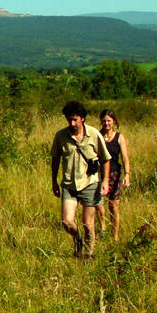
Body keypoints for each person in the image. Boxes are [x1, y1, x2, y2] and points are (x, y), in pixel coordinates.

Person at [50, 100, 111, 259]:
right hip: (69, 184)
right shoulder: (61, 136)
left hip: (90, 183)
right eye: (69, 119)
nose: (72, 123)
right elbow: (55, 159)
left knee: (88, 223)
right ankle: (77, 238)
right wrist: (54, 181)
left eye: (75, 119)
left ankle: (88, 254)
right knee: (67, 221)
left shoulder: (94, 134)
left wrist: (105, 181)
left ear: (82, 118)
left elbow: (105, 158)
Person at [97, 109, 130, 241]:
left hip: (115, 174)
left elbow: (125, 158)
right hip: (99, 174)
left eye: (109, 121)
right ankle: (103, 227)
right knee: (98, 203)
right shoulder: (97, 136)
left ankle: (115, 236)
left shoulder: (119, 138)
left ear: (114, 122)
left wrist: (127, 174)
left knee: (114, 206)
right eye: (104, 121)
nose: (106, 123)